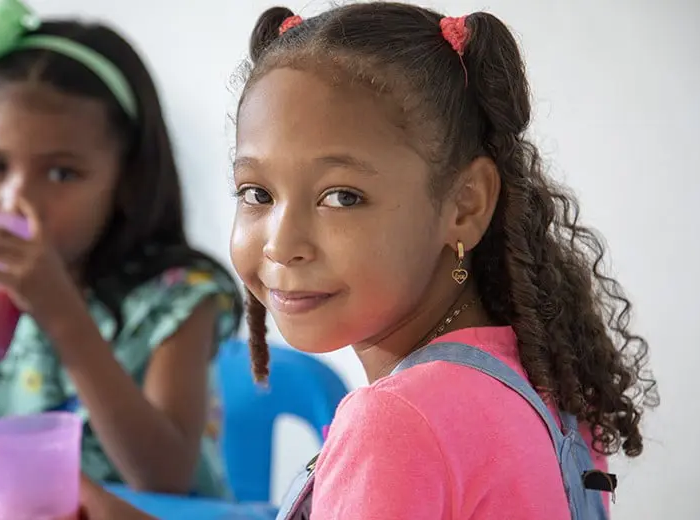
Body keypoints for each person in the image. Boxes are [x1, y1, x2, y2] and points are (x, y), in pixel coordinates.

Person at [78, 2, 660, 519]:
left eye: (341, 197)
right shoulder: (545, 377)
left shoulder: (395, 424)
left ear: (466, 205)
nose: (283, 243)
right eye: (257, 193)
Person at [0, 0, 240, 498]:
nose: (16, 201)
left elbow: (163, 477)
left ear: (126, 180)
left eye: (61, 173)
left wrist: (62, 315)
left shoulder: (178, 300)